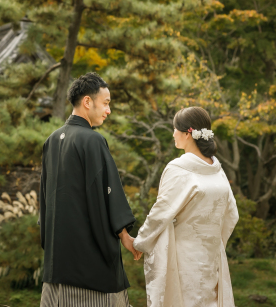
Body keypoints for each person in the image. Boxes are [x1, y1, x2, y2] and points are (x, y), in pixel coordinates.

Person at [40, 72, 141, 307]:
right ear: (87, 101)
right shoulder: (93, 140)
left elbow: (45, 200)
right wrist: (124, 235)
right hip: (90, 266)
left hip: (57, 262)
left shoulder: (51, 140)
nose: (108, 110)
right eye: (105, 103)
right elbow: (108, 193)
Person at [133, 106, 239, 307]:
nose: (173, 133)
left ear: (187, 133)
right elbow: (232, 215)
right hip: (212, 257)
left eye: (175, 129)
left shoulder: (178, 169)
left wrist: (140, 242)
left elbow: (161, 212)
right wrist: (214, 242)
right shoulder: (217, 170)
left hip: (184, 258)